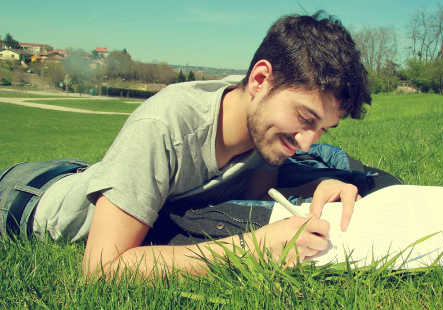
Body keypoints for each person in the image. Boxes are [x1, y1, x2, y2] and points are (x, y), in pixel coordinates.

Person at [0, 12, 375, 278]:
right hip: (28, 196)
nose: (307, 140)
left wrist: (314, 187)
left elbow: (257, 196)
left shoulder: (264, 124)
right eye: (306, 118)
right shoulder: (167, 121)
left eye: (324, 128)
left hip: (88, 173)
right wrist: (254, 248)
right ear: (260, 79)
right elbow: (101, 268)